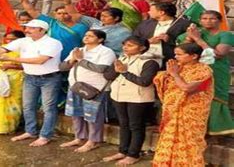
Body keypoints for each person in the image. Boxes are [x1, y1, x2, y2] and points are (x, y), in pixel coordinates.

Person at [0, 19, 63, 147]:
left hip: (49, 78)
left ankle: (45, 135)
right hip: (30, 77)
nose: (27, 30)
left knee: (48, 108)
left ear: (42, 30)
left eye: (32, 28)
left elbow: (40, 60)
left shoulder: (53, 43)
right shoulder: (23, 41)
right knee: (28, 106)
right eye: (27, 28)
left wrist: (11, 58)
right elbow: (1, 50)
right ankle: (30, 131)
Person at [152, 43, 213, 166]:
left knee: (190, 142)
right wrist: (165, 75)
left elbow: (186, 88)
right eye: (175, 54)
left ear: (194, 56)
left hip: (192, 112)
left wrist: (174, 74)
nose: (175, 57)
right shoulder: (178, 67)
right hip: (172, 112)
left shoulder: (204, 70)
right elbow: (162, 82)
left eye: (179, 54)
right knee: (168, 141)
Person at [103, 36, 159, 165]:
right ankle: (122, 151)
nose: (125, 47)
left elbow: (144, 82)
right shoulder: (122, 58)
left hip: (138, 98)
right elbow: (108, 76)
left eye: (130, 45)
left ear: (142, 48)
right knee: (123, 124)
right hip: (119, 95)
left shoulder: (149, 62)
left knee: (136, 126)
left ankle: (134, 154)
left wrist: (125, 72)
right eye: (125, 45)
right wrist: (116, 70)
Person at [177, 11, 234, 136]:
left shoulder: (226, 35)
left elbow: (218, 54)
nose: (208, 21)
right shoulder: (192, 32)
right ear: (200, 20)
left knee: (215, 98)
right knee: (195, 98)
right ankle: (194, 129)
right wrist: (189, 38)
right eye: (204, 18)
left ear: (220, 21)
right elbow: (181, 50)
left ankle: (214, 132)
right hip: (194, 71)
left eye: (212, 19)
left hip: (217, 70)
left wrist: (198, 39)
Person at [59, 30, 116, 153]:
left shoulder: (106, 52)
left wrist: (80, 60)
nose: (87, 37)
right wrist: (72, 60)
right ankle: (79, 137)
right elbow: (62, 67)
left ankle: (93, 141)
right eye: (86, 35)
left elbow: (101, 69)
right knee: (76, 113)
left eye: (91, 36)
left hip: (95, 88)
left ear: (100, 39)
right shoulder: (78, 50)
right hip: (75, 86)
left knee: (93, 116)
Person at [19, 0, 87, 60]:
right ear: (55, 14)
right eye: (59, 13)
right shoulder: (51, 22)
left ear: (70, 13)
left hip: (72, 59)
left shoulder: (81, 27)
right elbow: (31, 11)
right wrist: (24, 0)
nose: (62, 15)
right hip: (51, 58)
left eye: (65, 13)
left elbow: (86, 44)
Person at [65, 1, 132, 56]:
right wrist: (67, 2)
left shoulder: (124, 32)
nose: (102, 18)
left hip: (106, 57)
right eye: (102, 16)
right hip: (87, 53)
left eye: (106, 16)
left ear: (116, 18)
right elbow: (75, 15)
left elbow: (117, 50)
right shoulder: (95, 23)